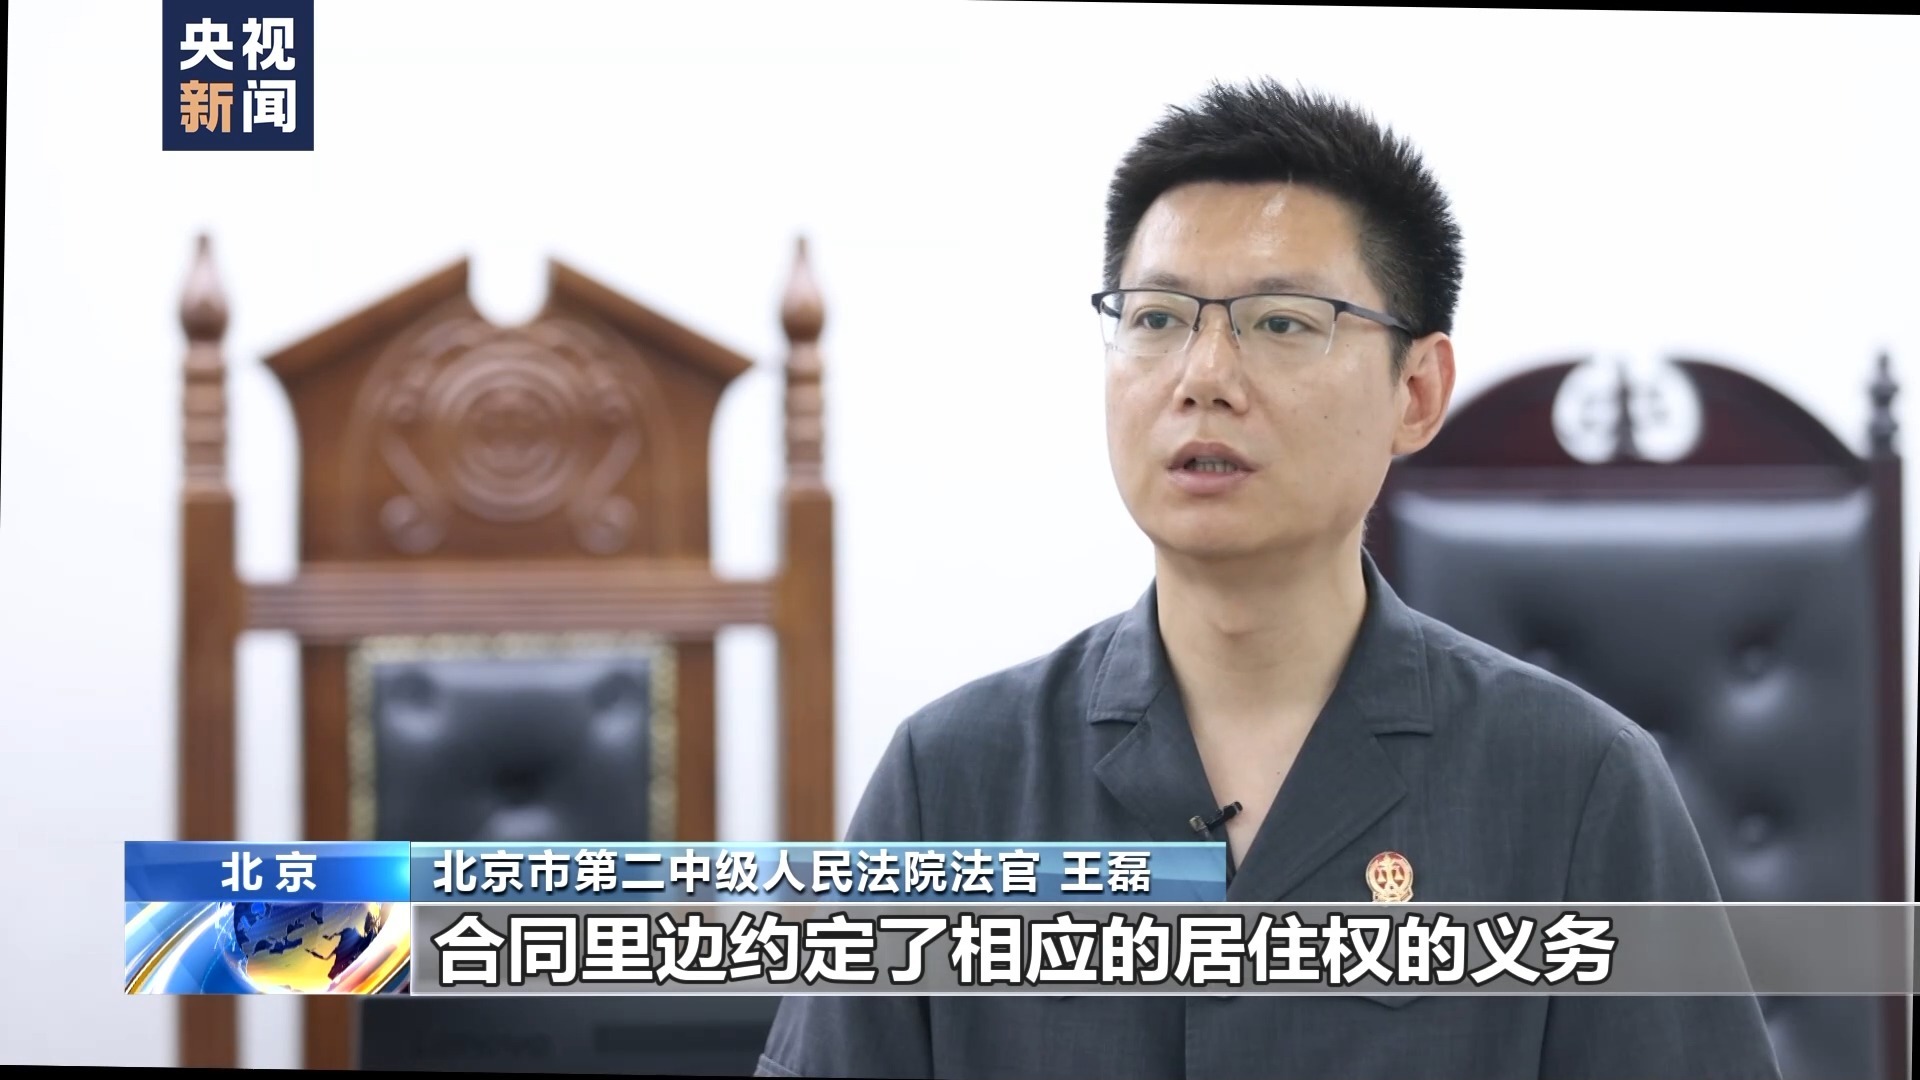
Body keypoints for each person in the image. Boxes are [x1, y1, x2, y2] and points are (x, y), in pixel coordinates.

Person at [756, 78, 1781, 1080]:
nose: (1202, 375)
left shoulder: (1577, 787)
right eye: (1157, 318)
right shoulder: (953, 781)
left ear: (1417, 392)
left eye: (1282, 321)